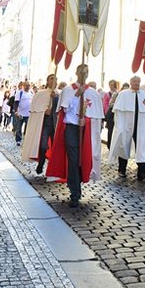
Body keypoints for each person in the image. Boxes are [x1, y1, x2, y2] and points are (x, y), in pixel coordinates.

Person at [46, 64, 103, 207]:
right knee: (73, 160)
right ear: (76, 72)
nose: (83, 73)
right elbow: (65, 110)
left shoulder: (94, 94)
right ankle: (75, 193)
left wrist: (87, 120)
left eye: (86, 71)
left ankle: (79, 183)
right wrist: (77, 95)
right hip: (71, 129)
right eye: (81, 71)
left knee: (82, 160)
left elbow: (96, 119)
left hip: (86, 132)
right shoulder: (67, 90)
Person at [111, 76, 145, 179]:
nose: (136, 83)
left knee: (142, 146)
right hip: (126, 125)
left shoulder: (144, 95)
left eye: (138, 82)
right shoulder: (123, 94)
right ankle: (122, 170)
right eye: (134, 81)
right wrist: (119, 126)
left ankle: (142, 172)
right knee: (123, 145)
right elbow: (118, 112)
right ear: (131, 82)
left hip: (141, 126)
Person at [23, 74, 58, 174]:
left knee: (56, 148)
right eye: (51, 79)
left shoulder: (58, 95)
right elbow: (34, 109)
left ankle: (53, 169)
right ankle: (41, 163)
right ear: (47, 81)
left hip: (55, 125)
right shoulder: (40, 94)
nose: (54, 81)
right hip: (45, 125)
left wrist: (55, 98)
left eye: (55, 79)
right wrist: (43, 111)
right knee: (43, 145)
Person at [12, 82, 32, 146]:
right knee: (19, 127)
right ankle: (18, 140)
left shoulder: (31, 93)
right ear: (23, 86)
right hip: (20, 113)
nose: (28, 87)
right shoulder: (20, 93)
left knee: (28, 127)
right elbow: (16, 102)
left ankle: (26, 139)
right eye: (26, 85)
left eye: (29, 85)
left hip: (28, 114)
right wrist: (16, 111)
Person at [103, 79, 119, 146]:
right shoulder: (107, 94)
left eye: (113, 85)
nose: (111, 86)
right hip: (110, 114)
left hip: (116, 113)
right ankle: (109, 144)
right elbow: (105, 104)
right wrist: (107, 112)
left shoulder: (118, 93)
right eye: (110, 85)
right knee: (110, 130)